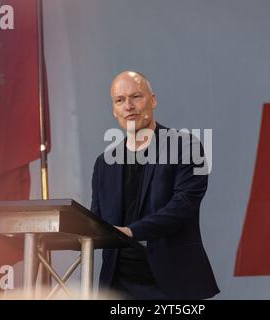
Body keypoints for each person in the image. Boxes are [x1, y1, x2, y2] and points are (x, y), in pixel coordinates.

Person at [90, 71, 219, 299]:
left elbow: (183, 206)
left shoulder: (186, 147)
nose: (128, 106)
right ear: (114, 110)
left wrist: (131, 231)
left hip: (172, 284)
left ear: (153, 100)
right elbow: (96, 221)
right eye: (120, 100)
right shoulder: (104, 163)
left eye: (136, 97)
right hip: (117, 286)